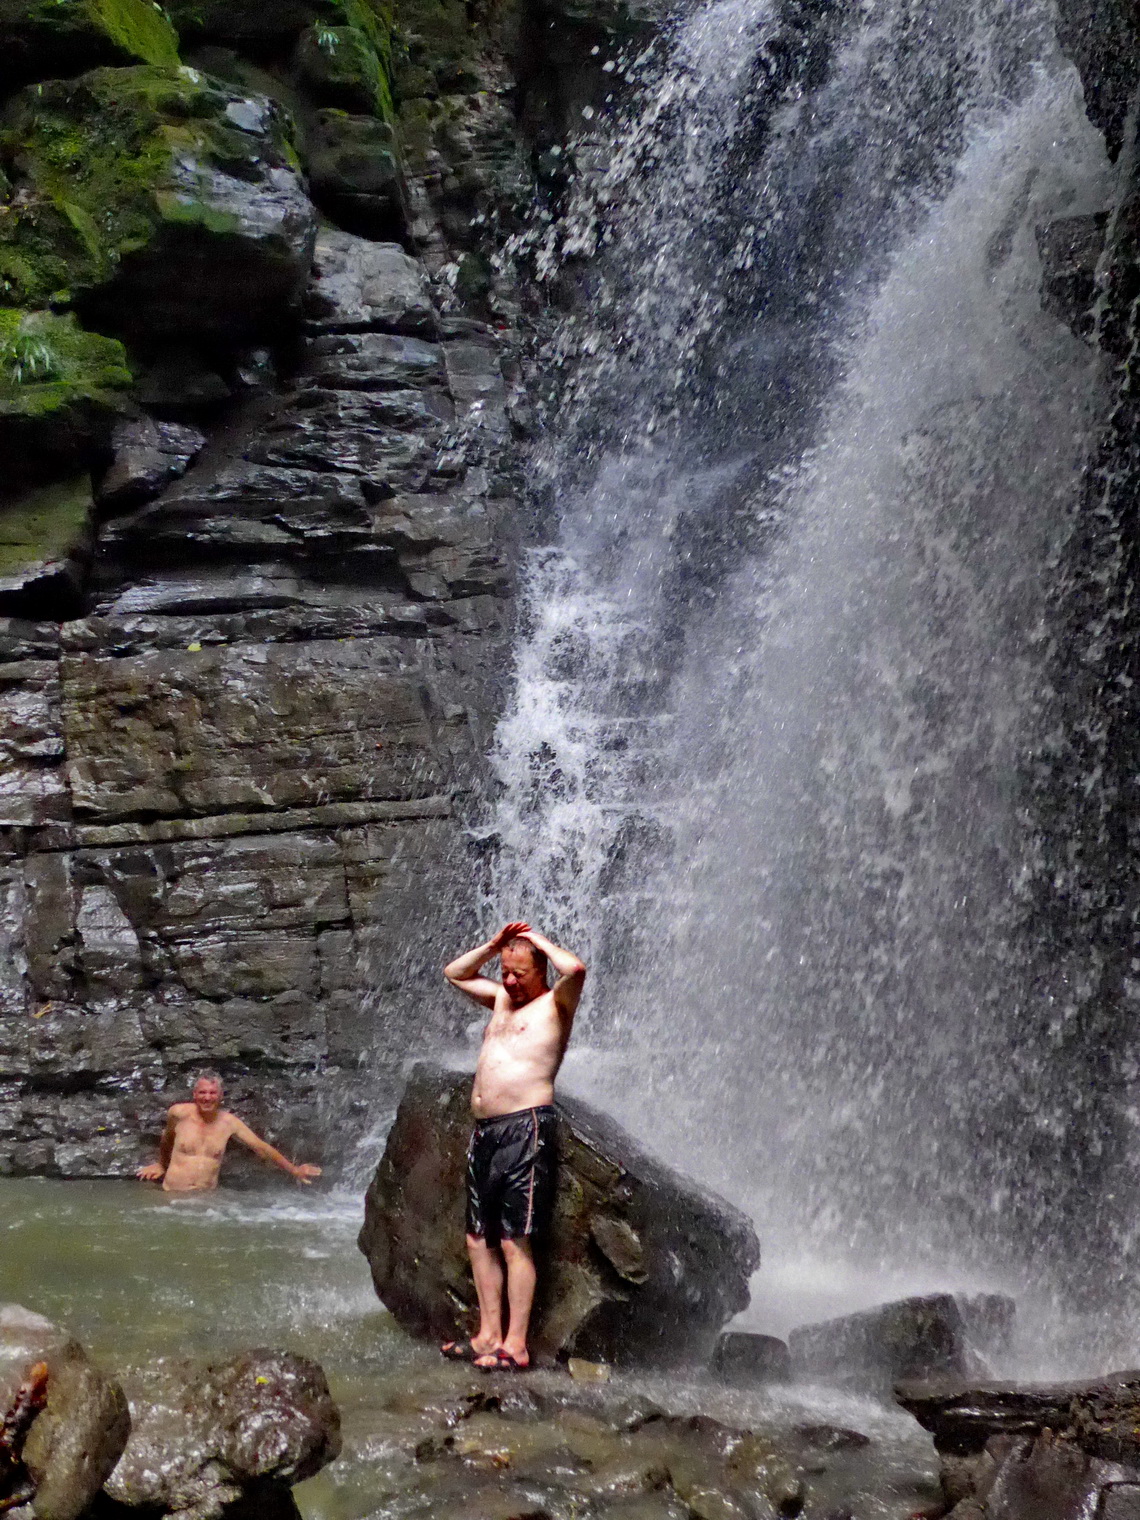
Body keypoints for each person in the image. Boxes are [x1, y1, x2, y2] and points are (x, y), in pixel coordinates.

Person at [440, 920, 587, 1371]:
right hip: (485, 1130)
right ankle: (487, 1336)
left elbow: (576, 968)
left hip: (526, 1127)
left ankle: (516, 1344)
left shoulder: (555, 1004)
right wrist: (494, 946)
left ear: (539, 970)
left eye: (519, 973)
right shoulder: (501, 999)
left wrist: (537, 941)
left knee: (513, 1240)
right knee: (477, 1237)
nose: (508, 981)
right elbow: (454, 973)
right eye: (505, 971)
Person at [136, 1072, 322, 1193]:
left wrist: (294, 1170)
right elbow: (167, 1138)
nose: (207, 1097)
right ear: (194, 1094)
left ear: (220, 1096)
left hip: (205, 1203)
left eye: (212, 1093)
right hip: (172, 1197)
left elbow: (261, 1148)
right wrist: (161, 1164)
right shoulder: (178, 1113)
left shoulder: (230, 1123)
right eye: (202, 1092)